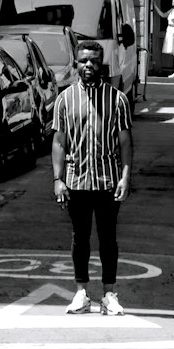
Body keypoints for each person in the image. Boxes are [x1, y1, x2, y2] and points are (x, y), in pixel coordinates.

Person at [52, 39, 133, 317]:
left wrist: (125, 177)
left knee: (108, 238)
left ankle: (109, 294)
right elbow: (59, 142)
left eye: (94, 61)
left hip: (108, 181)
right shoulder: (64, 99)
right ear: (76, 63)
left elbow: (125, 142)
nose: (89, 65)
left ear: (102, 64)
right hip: (75, 180)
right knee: (80, 238)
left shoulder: (117, 100)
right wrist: (58, 179)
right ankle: (81, 293)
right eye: (84, 60)